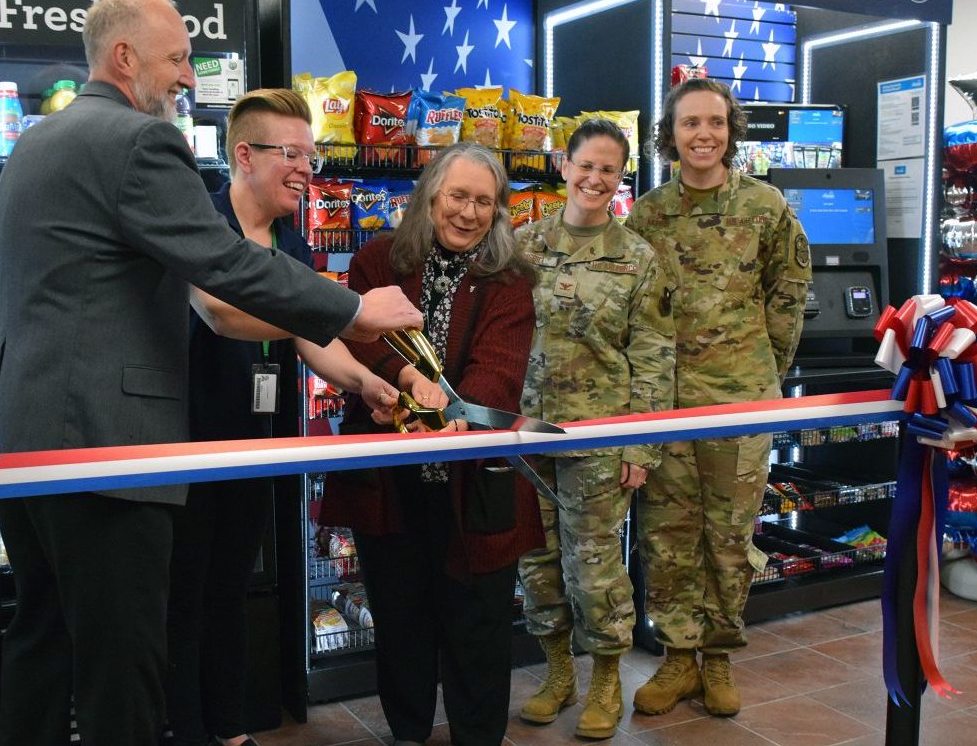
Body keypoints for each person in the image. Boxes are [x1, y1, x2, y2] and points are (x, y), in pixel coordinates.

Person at [0, 0, 421, 746]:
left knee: (41, 639)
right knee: (125, 661)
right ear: (124, 56)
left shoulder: (37, 143)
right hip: (108, 443)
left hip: (25, 437)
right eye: (179, 58)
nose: (189, 77)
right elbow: (220, 267)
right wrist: (354, 308)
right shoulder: (139, 142)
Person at [167, 88, 401, 746]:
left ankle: (228, 725)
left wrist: (366, 384)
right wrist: (352, 312)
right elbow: (224, 312)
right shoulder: (199, 223)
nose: (305, 169)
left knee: (233, 586)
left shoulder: (290, 240)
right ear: (244, 155)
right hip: (183, 448)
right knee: (183, 594)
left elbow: (310, 339)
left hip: (257, 445)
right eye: (291, 153)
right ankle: (185, 729)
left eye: (312, 156)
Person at [318, 143, 541, 746]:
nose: (468, 213)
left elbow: (501, 365)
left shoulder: (512, 279)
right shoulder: (375, 260)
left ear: (498, 214)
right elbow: (362, 343)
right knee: (401, 616)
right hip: (388, 480)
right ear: (430, 197)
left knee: (480, 621)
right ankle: (408, 731)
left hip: (475, 479)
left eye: (484, 203)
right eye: (457, 197)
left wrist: (460, 419)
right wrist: (406, 389)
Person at [623, 78, 811, 717]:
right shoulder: (648, 215)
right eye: (689, 123)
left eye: (714, 122)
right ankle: (677, 659)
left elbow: (789, 292)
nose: (703, 134)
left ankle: (720, 656)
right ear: (669, 134)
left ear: (731, 129)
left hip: (742, 401)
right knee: (668, 534)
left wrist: (764, 371)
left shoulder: (766, 207)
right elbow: (636, 310)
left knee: (730, 535)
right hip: (668, 403)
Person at [513, 118, 676, 738]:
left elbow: (655, 356)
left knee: (596, 565)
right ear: (564, 165)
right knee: (536, 559)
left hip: (600, 439)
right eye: (586, 165)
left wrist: (642, 443)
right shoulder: (523, 247)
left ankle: (606, 680)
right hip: (526, 434)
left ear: (620, 178)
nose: (595, 178)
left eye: (609, 169)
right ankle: (558, 675)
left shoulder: (637, 259)